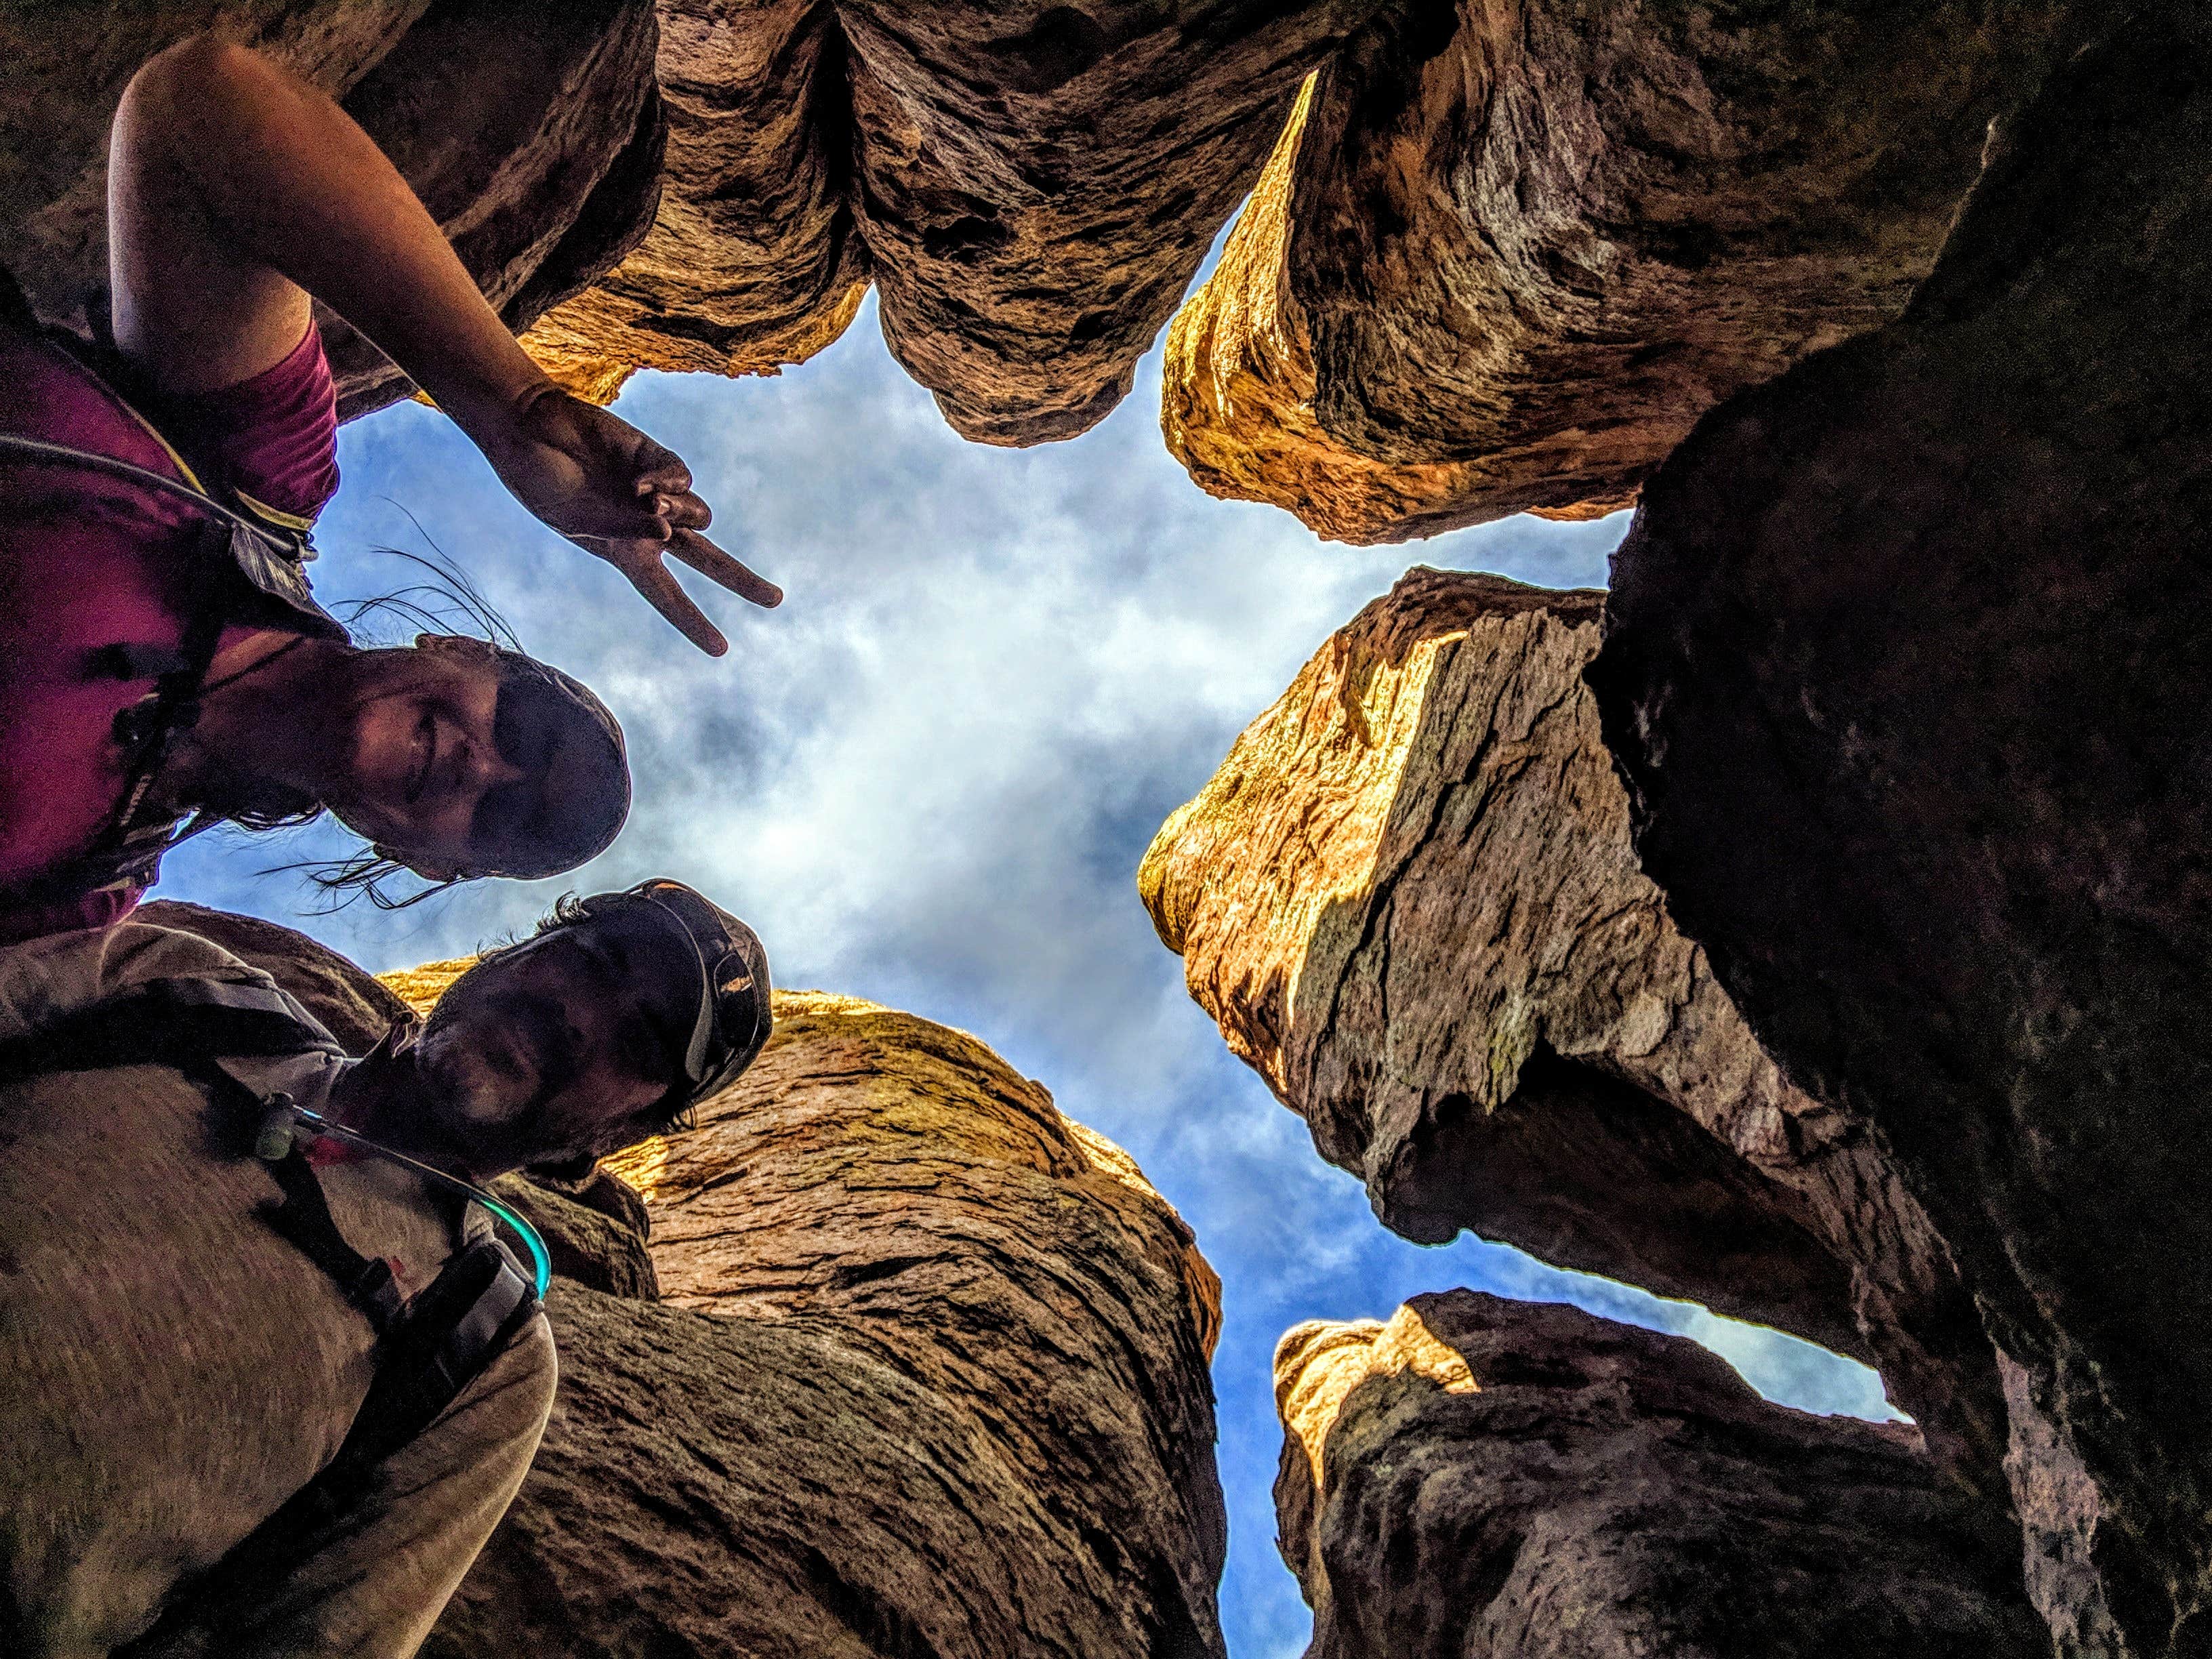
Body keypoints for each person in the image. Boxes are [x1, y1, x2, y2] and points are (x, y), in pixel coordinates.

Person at [0, 37, 781, 942]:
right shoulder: (251, 483)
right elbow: (200, 108)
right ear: (456, 644)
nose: (481, 767)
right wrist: (512, 404)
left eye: (505, 819)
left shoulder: (80, 890)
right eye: (524, 729)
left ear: (430, 862)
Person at [0, 879, 772, 1658]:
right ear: (512, 953)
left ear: (612, 1139)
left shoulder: (486, 1354)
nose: (579, 1018)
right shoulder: (185, 985)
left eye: (637, 1044)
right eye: (595, 958)